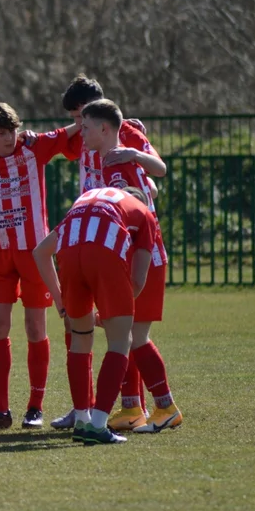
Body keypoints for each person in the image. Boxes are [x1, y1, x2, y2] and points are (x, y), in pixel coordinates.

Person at [48, 74, 168, 431]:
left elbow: (154, 181)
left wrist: (133, 156)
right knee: (101, 327)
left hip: (123, 234)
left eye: (81, 117)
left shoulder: (124, 133)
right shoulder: (85, 135)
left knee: (123, 327)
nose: (76, 126)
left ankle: (134, 406)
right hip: (96, 230)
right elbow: (55, 145)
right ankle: (86, 406)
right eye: (73, 118)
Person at [0, 103, 80, 431]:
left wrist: (105, 119)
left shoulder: (32, 148)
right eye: (0, 133)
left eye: (12, 130)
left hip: (34, 254)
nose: (8, 138)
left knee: (34, 328)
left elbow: (71, 130)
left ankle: (35, 407)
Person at [75, 99, 182, 433]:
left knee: (135, 335)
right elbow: (150, 187)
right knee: (131, 335)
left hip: (144, 259)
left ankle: (164, 408)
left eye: (86, 127)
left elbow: (136, 216)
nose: (82, 132)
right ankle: (139, 408)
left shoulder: (116, 163)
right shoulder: (114, 159)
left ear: (104, 129)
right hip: (142, 257)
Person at [32, 186, 158, 445]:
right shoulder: (144, 214)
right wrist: (113, 311)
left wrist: (61, 300)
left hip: (69, 250)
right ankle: (99, 425)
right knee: (121, 340)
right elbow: (138, 279)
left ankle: (81, 419)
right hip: (103, 253)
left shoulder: (90, 199)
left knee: (80, 340)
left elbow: (40, 252)